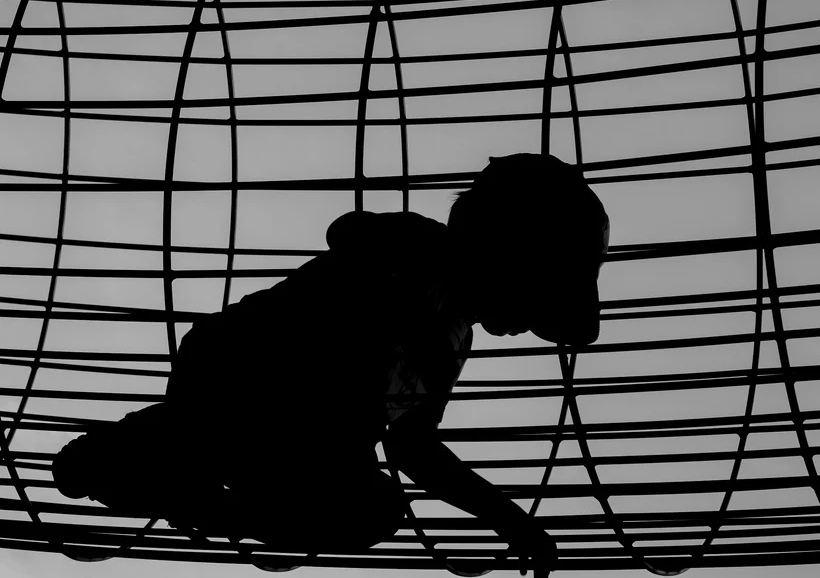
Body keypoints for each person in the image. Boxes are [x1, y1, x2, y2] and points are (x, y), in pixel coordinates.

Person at [52, 153, 610, 574]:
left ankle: (214, 499)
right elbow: (350, 232)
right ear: (507, 253)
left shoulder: (451, 340)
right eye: (534, 302)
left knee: (376, 513)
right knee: (127, 456)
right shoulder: (418, 257)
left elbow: (413, 447)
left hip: (304, 448)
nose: (523, 326)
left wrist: (510, 522)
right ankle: (168, 465)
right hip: (237, 388)